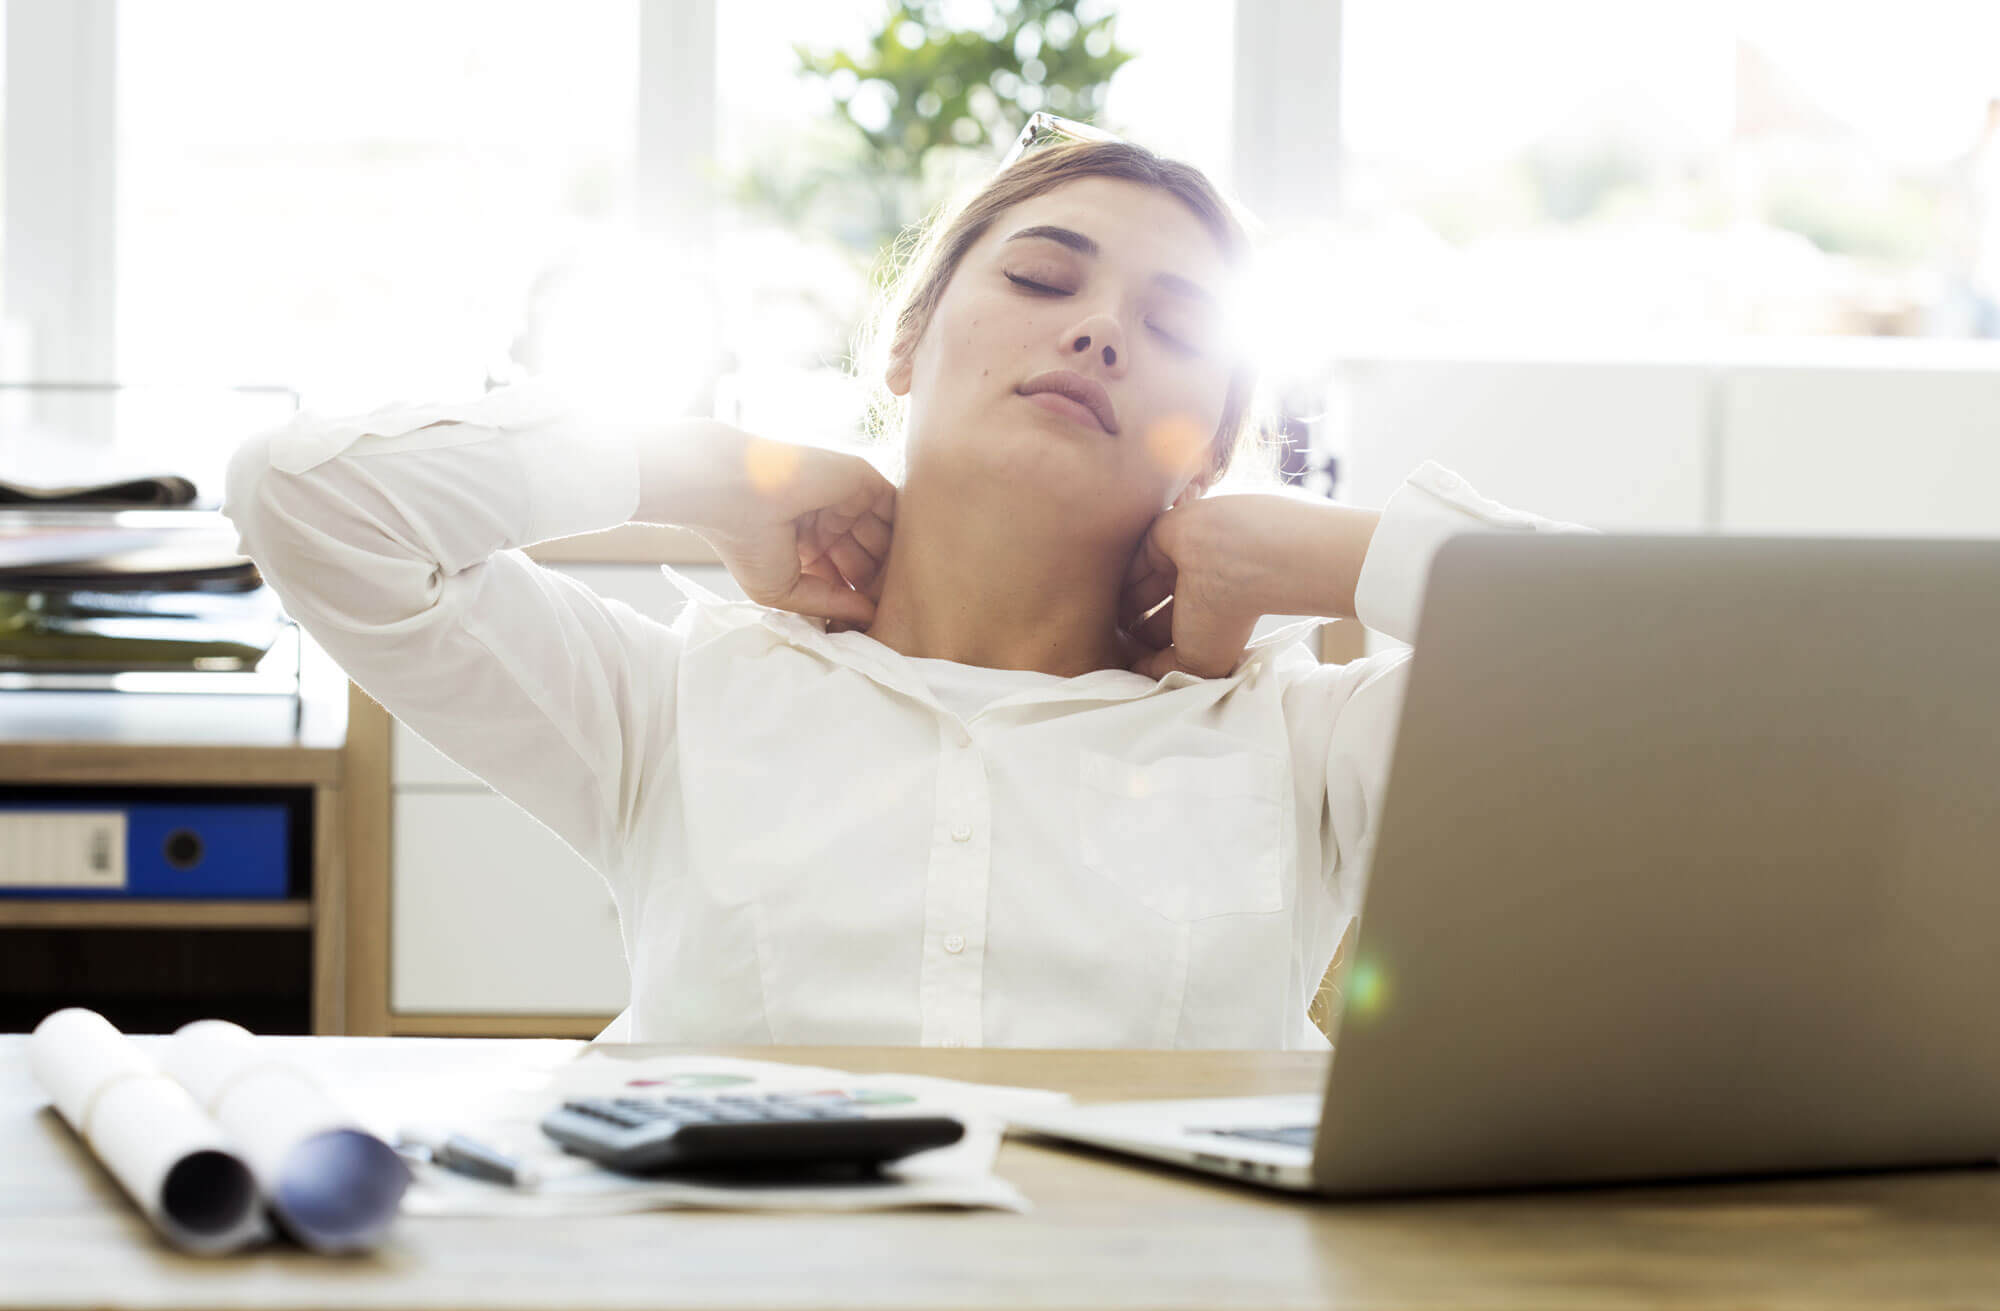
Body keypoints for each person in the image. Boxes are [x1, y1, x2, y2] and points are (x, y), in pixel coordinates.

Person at [223, 138, 1578, 1050]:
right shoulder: (675, 702)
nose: (1099, 328)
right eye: (1044, 277)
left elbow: (1659, 678)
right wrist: (706, 473)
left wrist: (1333, 558)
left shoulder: (1302, 743)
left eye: (1172, 330)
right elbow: (308, 499)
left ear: (1210, 445)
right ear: (909, 342)